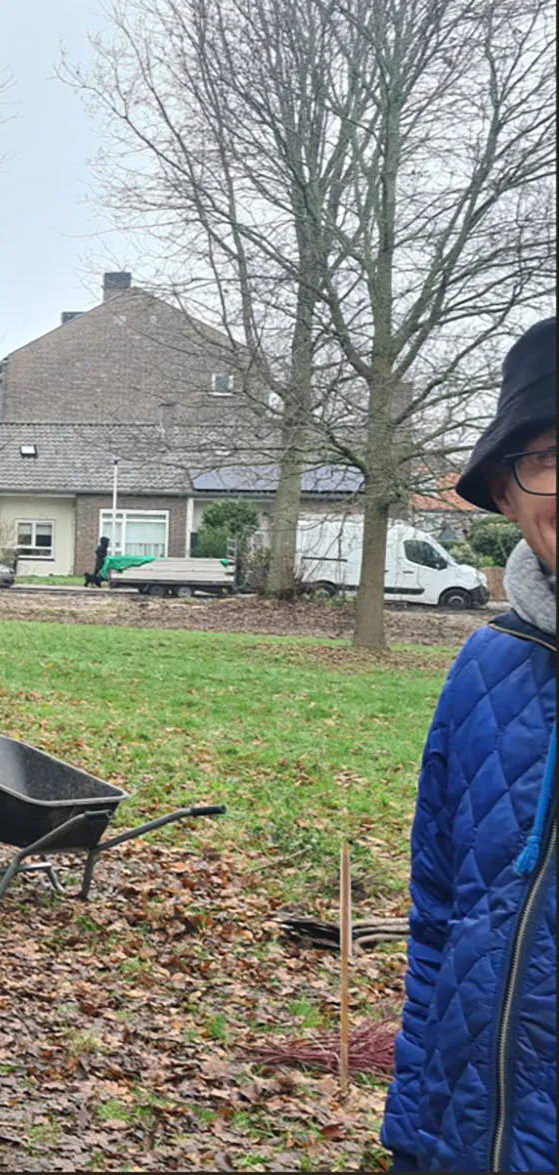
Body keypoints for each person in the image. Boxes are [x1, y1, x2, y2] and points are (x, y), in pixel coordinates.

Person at [381, 316, 553, 1174]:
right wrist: (415, 1129)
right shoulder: (487, 666)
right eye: (549, 457)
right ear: (507, 495)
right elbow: (439, 918)